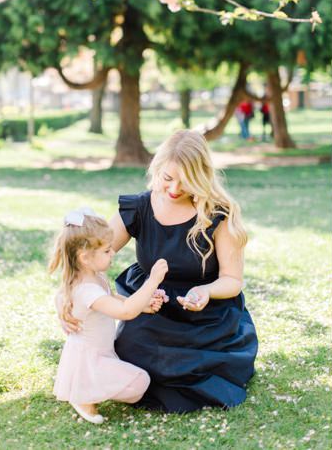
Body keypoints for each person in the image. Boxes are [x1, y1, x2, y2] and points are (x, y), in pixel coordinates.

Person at [59, 130, 258, 413]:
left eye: (186, 181)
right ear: (157, 169)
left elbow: (232, 280)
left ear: (201, 177)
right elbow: (88, 259)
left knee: (198, 373)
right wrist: (68, 298)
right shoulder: (139, 207)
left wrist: (205, 290)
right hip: (152, 310)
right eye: (168, 178)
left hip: (207, 317)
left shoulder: (218, 215)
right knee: (134, 360)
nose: (175, 188)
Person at [49, 208, 169, 424]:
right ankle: (83, 395)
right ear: (85, 257)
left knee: (137, 384)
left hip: (102, 352)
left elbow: (113, 298)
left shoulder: (95, 277)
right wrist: (152, 282)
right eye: (106, 251)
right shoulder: (86, 289)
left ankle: (89, 386)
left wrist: (144, 305)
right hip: (89, 358)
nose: (113, 253)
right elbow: (125, 312)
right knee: (140, 382)